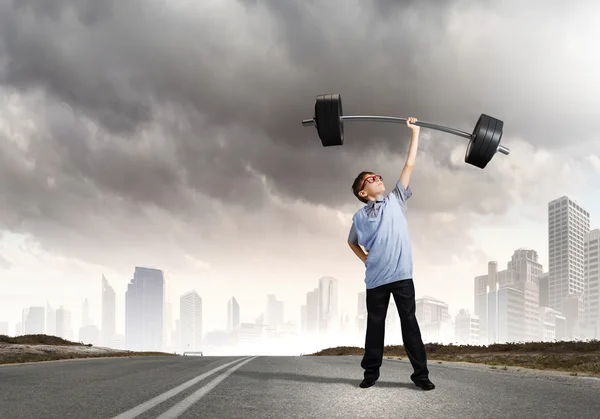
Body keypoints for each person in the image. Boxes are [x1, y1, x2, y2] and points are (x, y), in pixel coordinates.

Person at [347, 117, 435, 391]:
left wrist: (415, 132)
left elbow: (409, 164)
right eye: (371, 179)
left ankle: (421, 375)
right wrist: (366, 260)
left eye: (378, 176)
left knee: (410, 325)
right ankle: (370, 373)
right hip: (375, 281)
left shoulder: (396, 199)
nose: (378, 179)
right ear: (363, 192)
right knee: (375, 328)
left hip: (401, 276)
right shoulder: (359, 217)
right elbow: (351, 242)